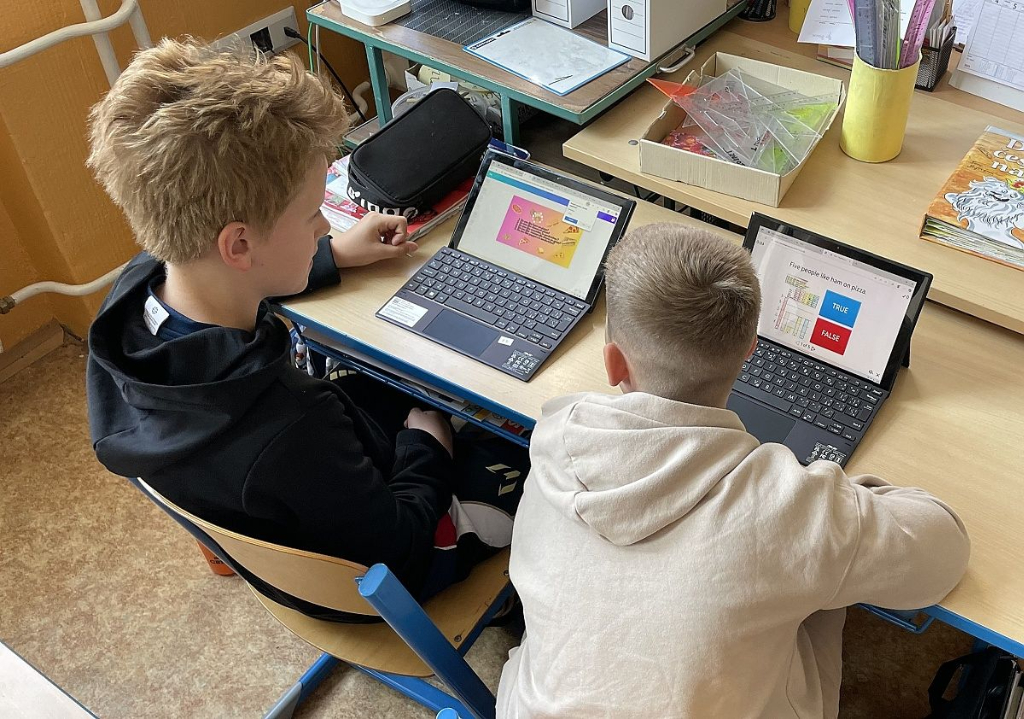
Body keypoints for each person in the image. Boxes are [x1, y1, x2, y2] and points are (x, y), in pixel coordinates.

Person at [84, 38, 512, 618]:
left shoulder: (131, 303)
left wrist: (332, 256)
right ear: (240, 244)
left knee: (389, 384)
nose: (324, 226)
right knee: (526, 458)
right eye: (313, 213)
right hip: (383, 576)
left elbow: (226, 276)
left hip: (282, 513)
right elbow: (401, 552)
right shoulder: (290, 422)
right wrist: (425, 447)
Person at [496, 223, 970, 718]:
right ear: (749, 352)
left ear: (613, 363)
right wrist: (841, 498)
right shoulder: (789, 507)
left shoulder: (553, 442)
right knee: (813, 591)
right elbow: (944, 555)